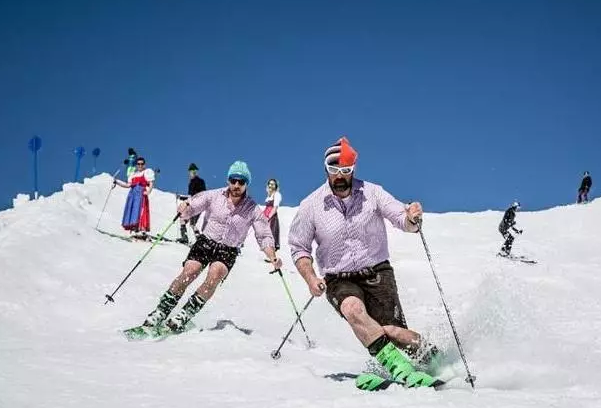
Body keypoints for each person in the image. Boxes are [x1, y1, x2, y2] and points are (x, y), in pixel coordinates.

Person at [288, 137, 440, 390]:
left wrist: (412, 218)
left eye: (345, 170)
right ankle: (401, 371)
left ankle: (437, 361)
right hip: (339, 279)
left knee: (394, 333)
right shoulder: (310, 206)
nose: (339, 176)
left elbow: (402, 219)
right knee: (352, 309)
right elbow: (299, 248)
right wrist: (311, 278)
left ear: (353, 170)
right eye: (334, 169)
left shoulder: (373, 192)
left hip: (378, 274)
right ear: (326, 169)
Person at [137, 160, 281, 333]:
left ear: (246, 184)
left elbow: (264, 234)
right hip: (206, 241)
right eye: (233, 180)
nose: (236, 185)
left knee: (215, 274)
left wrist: (272, 256)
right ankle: (161, 311)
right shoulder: (214, 195)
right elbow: (194, 205)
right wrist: (185, 207)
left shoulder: (252, 209)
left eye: (241, 182)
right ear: (228, 180)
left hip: (228, 249)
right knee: (189, 271)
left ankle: (185, 314)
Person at [115, 155, 155, 237]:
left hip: (140, 193)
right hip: (132, 194)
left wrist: (148, 192)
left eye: (141, 164)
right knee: (133, 209)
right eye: (138, 164)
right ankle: (134, 227)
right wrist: (117, 182)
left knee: (140, 209)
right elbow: (128, 185)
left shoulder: (146, 172)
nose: (140, 165)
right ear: (136, 165)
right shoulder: (133, 174)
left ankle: (141, 228)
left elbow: (151, 183)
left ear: (144, 165)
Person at [178, 162, 207, 244]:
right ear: (189, 172)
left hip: (198, 205)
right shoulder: (191, 183)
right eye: (191, 171)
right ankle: (185, 237)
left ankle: (199, 241)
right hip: (193, 204)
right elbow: (191, 196)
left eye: (194, 170)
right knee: (184, 220)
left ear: (196, 171)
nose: (193, 172)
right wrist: (182, 198)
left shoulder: (200, 181)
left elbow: (201, 194)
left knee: (192, 223)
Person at [263, 178, 282, 250]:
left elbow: (275, 208)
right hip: (266, 215)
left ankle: (272, 253)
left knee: (271, 233)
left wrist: (269, 217)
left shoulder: (277, 194)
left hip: (272, 216)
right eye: (270, 184)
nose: (271, 185)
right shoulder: (268, 196)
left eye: (273, 184)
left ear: (276, 186)